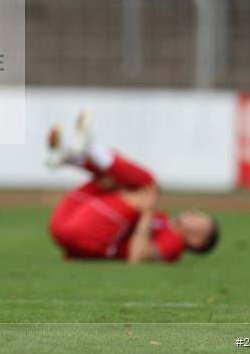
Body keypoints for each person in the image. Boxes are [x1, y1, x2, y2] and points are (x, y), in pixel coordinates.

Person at [46, 111, 219, 263]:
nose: (194, 212)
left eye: (199, 218)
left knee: (148, 183)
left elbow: (138, 256)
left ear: (197, 240)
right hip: (66, 227)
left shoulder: (175, 243)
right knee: (117, 179)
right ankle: (72, 156)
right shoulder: (164, 221)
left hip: (83, 234)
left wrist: (147, 212)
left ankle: (83, 152)